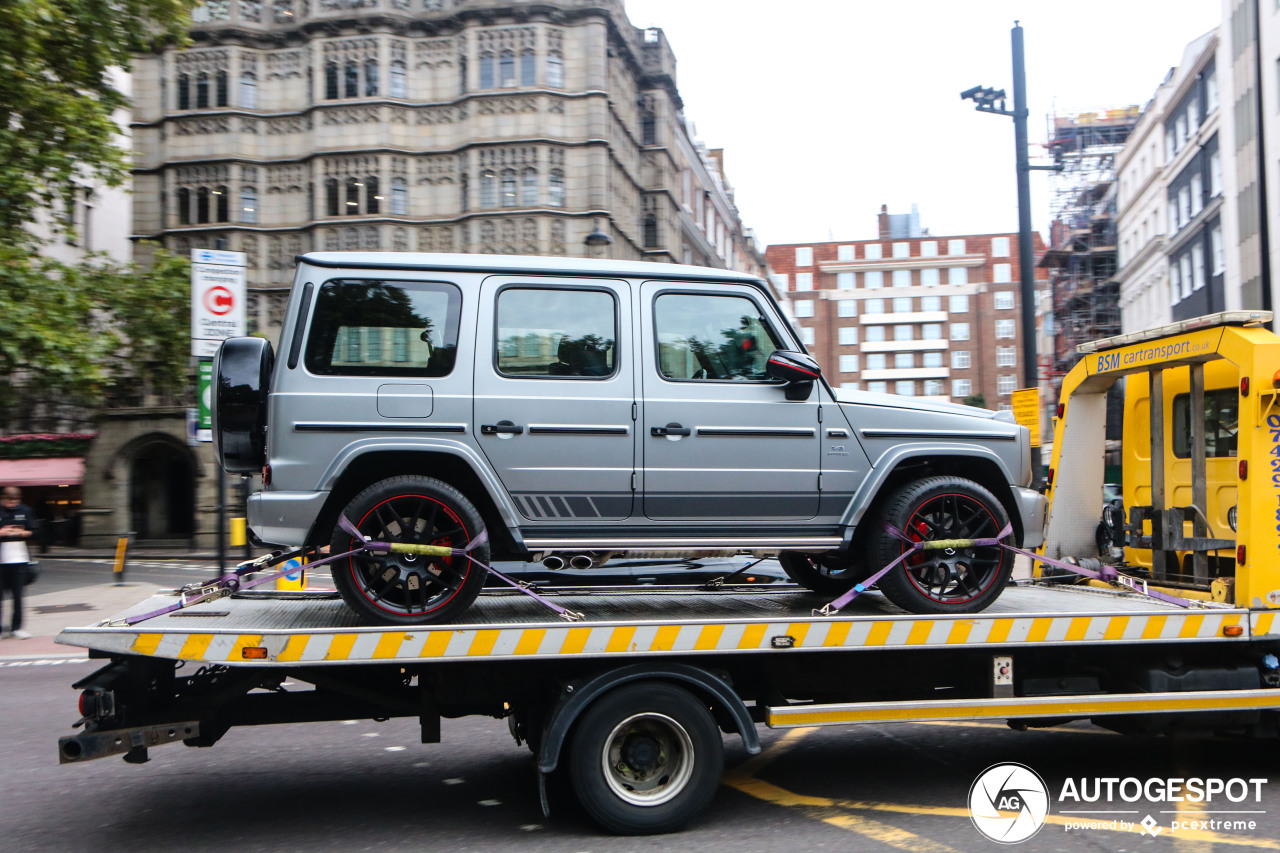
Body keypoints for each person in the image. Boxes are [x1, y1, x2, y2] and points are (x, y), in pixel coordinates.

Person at [0, 486, 37, 639]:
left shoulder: (25, 511)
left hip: (20, 559)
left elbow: (34, 531)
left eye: (15, 501)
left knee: (18, 595)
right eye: (9, 501)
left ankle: (17, 627)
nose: (12, 504)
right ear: (2, 499)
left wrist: (21, 532)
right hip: (1, 560)